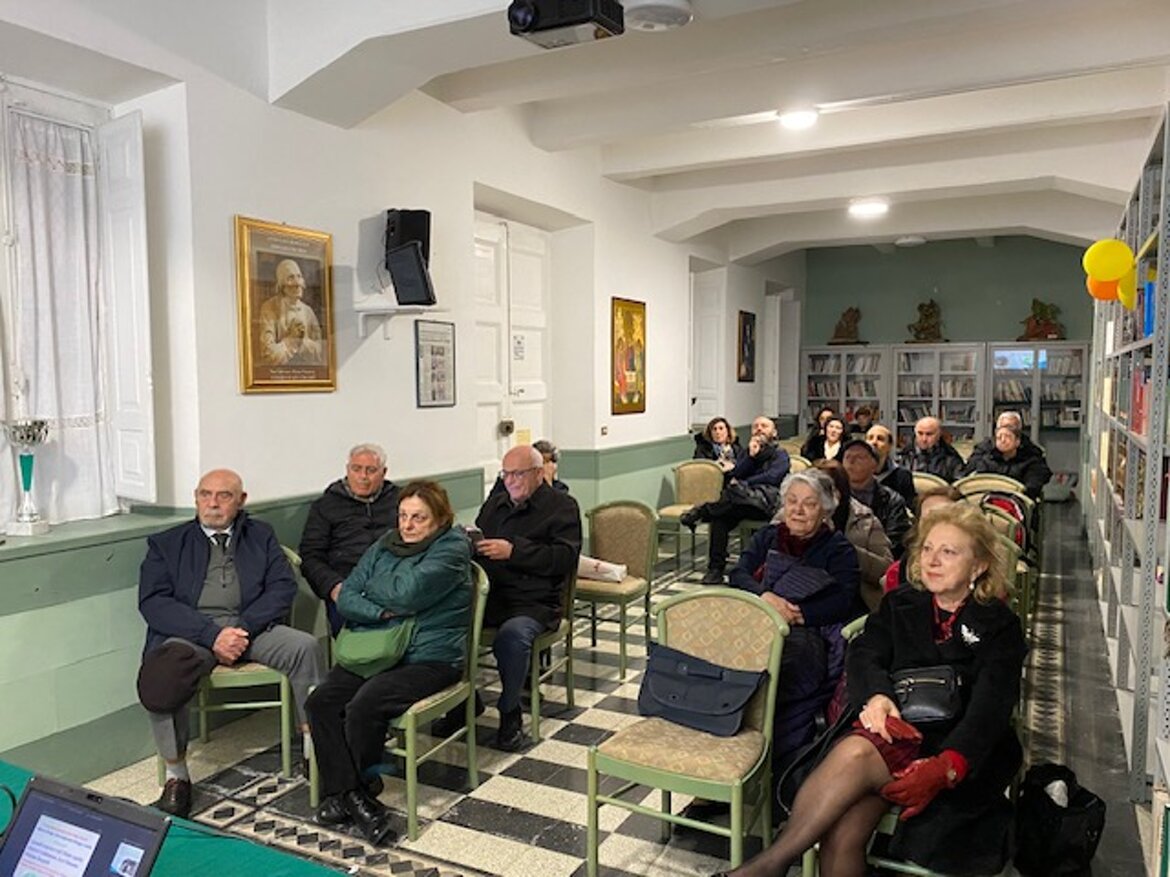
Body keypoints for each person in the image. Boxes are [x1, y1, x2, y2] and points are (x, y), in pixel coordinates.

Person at [715, 504, 1026, 877]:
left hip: (956, 749)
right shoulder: (902, 602)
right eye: (927, 548)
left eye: (948, 552)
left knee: (857, 756)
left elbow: (990, 710)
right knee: (842, 834)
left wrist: (948, 766)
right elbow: (864, 653)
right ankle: (770, 866)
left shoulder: (1000, 625)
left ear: (978, 566)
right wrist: (876, 697)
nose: (932, 560)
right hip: (895, 730)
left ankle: (769, 865)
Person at [136, 469, 325, 820]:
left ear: (241, 500)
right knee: (161, 676)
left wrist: (242, 628)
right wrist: (212, 636)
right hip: (193, 636)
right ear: (196, 498)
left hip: (250, 628)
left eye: (224, 496)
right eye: (205, 494)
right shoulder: (167, 544)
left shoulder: (260, 535)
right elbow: (154, 602)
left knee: (305, 647)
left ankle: (314, 751)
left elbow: (282, 586)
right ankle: (177, 777)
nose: (213, 503)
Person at [304, 481, 471, 845]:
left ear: (440, 519)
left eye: (418, 518)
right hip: (379, 650)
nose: (407, 525)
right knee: (320, 702)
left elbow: (407, 592)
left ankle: (350, 793)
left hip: (429, 656)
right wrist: (381, 611)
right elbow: (347, 595)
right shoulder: (385, 543)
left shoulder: (453, 547)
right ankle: (356, 795)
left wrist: (373, 588)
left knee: (364, 704)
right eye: (402, 515)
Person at [730, 470, 862, 767]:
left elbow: (844, 600)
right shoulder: (767, 537)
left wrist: (799, 614)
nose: (798, 510)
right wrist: (765, 598)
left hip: (808, 630)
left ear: (825, 510)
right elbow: (738, 574)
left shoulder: (838, 549)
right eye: (791, 501)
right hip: (758, 620)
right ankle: (727, 743)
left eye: (809, 504)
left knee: (785, 671)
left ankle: (774, 756)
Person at [470, 445, 582, 751]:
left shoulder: (562, 506)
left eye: (518, 474)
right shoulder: (496, 504)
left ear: (538, 473)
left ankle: (510, 712)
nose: (510, 481)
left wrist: (514, 551)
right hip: (493, 595)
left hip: (536, 601)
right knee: (447, 622)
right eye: (505, 474)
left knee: (512, 637)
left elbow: (564, 557)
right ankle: (463, 704)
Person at [298, 443, 401, 635]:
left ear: (384, 472)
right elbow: (311, 556)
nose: (363, 476)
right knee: (361, 639)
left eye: (371, 470)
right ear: (347, 470)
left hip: (396, 582)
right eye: (356, 469)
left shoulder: (399, 499)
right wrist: (333, 587)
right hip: (348, 586)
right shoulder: (326, 505)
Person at [680, 416, 791, 584]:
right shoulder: (748, 452)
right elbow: (736, 473)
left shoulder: (780, 453)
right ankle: (715, 569)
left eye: (764, 426)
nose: (759, 429)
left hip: (765, 502)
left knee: (729, 498)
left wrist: (746, 483)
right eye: (756, 426)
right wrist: (751, 457)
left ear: (774, 432)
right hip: (741, 502)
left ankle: (702, 511)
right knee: (720, 518)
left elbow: (772, 477)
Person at [814, 460, 894, 612]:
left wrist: (846, 550)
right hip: (802, 597)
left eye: (824, 489)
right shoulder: (791, 515)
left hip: (855, 601)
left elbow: (885, 569)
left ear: (839, 492)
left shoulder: (865, 519)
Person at [884, 485, 965, 592]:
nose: (934, 526)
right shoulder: (898, 571)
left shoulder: (978, 563)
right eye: (927, 519)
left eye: (943, 518)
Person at [841, 439, 911, 559]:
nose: (851, 462)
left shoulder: (892, 500)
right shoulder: (835, 495)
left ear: (874, 465)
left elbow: (896, 542)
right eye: (847, 457)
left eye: (859, 457)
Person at [257, 258, 325, 366]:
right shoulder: (269, 308)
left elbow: (320, 353)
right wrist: (291, 340)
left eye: (299, 276)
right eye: (291, 278)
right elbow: (268, 355)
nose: (297, 283)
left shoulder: (308, 311)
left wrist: (301, 341)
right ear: (281, 284)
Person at [961, 424, 1052, 499]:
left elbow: (1032, 487)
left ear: (1017, 442)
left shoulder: (1030, 461)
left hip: (1016, 501)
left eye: (1007, 437)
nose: (1003, 440)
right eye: (999, 437)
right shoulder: (986, 460)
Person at [488, 438, 571, 497]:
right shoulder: (509, 483)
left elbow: (553, 511)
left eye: (546, 463)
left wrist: (548, 483)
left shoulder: (560, 489)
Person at [901, 416, 965, 483]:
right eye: (920, 433)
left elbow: (959, 485)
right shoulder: (906, 455)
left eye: (929, 434)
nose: (924, 439)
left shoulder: (951, 458)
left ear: (939, 435)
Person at [866, 423, 916, 506]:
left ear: (889, 446)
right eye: (870, 438)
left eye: (880, 439)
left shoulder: (903, 476)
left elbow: (908, 507)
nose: (874, 442)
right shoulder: (855, 473)